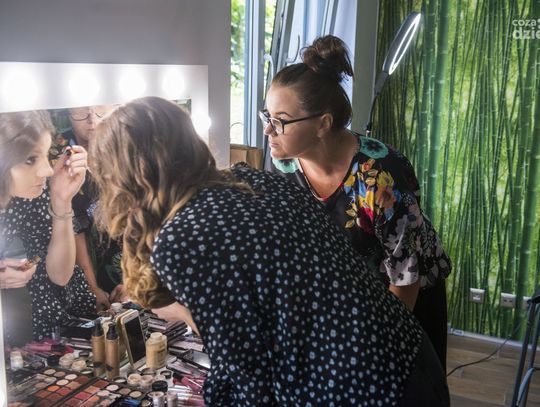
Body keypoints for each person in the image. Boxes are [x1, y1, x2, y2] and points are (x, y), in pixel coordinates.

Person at [90, 96, 449, 406]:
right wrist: (190, 313)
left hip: (359, 388)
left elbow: (248, 374)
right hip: (408, 353)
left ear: (128, 177)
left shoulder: (181, 239)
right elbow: (274, 302)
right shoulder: (253, 179)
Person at [263, 35, 452, 369]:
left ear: (323, 124)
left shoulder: (380, 177)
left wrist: (371, 351)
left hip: (406, 296)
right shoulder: (286, 166)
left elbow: (405, 280)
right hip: (348, 298)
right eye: (267, 116)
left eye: (280, 120)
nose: (268, 131)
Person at [0, 110, 96, 341]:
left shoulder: (35, 195)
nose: (48, 170)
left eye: (45, 155)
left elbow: (61, 275)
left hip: (49, 321)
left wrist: (61, 200)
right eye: (30, 159)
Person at [49, 105, 124, 309]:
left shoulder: (127, 143)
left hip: (133, 256)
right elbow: (75, 225)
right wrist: (91, 286)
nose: (92, 119)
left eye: (100, 109)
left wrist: (137, 278)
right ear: (68, 112)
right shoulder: (57, 152)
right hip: (78, 260)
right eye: (81, 111)